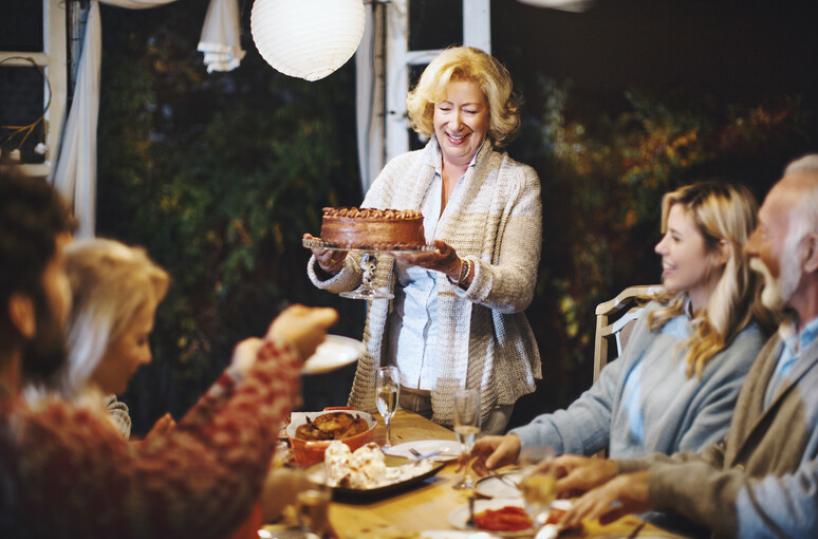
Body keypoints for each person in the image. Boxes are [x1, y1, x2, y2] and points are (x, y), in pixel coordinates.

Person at [0, 166, 338, 538]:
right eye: (57, 272)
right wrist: (280, 357)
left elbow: (162, 478)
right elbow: (194, 501)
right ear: (22, 311)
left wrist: (236, 382)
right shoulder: (31, 438)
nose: (70, 292)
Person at [550, 155, 818, 538]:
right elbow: (726, 456)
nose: (751, 249)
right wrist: (616, 471)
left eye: (766, 233)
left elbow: (804, 507)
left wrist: (651, 487)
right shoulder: (783, 344)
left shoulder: (753, 350)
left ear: (810, 253)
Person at [306, 46, 542, 433]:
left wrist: (456, 268)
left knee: (457, 484)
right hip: (395, 378)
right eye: (445, 107)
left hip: (476, 387)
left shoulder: (517, 182)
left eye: (470, 109)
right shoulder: (399, 172)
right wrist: (332, 265)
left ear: (492, 114)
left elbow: (518, 290)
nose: (455, 123)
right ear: (431, 110)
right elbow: (358, 267)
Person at [472, 182, 770, 469]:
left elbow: (692, 477)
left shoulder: (743, 357)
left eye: (676, 238)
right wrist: (520, 443)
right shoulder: (657, 320)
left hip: (655, 517)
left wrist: (605, 482)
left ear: (722, 250)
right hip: (612, 501)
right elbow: (601, 407)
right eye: (665, 235)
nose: (659, 247)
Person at [25, 238, 172, 438]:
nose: (147, 357)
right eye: (140, 340)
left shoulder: (86, 409)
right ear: (96, 337)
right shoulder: (60, 431)